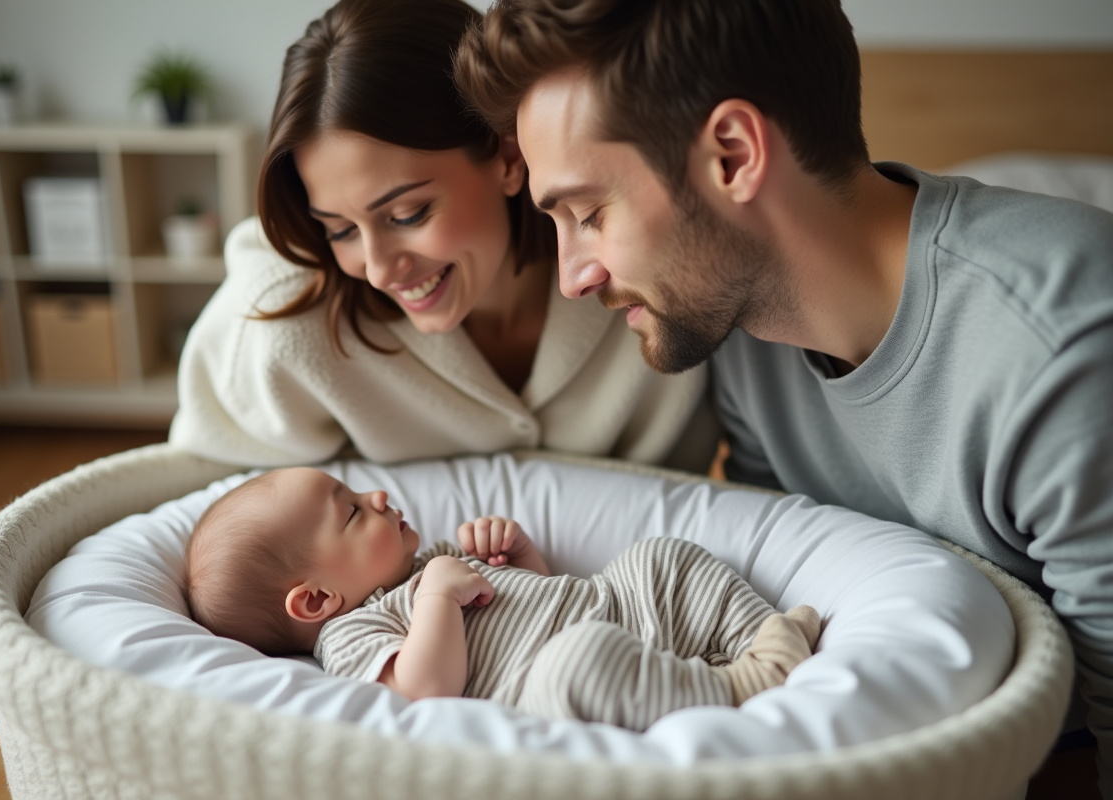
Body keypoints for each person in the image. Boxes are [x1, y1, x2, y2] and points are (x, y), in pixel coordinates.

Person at [453, 0, 1113, 793]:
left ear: (731, 155)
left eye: (590, 213)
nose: (574, 275)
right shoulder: (743, 339)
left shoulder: (1063, 355)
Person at [168, 0, 716, 474]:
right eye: (339, 230)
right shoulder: (278, 325)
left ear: (506, 155)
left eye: (407, 214)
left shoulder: (649, 272)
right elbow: (206, 509)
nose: (380, 269)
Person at [184, 467, 821, 731]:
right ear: (318, 599)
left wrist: (518, 560)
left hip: (612, 606)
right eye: (351, 513)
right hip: (553, 681)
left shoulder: (431, 560)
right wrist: (436, 599)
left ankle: (751, 636)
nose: (376, 497)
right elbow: (424, 689)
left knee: (658, 557)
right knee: (583, 661)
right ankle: (747, 684)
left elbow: (534, 597)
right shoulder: (351, 636)